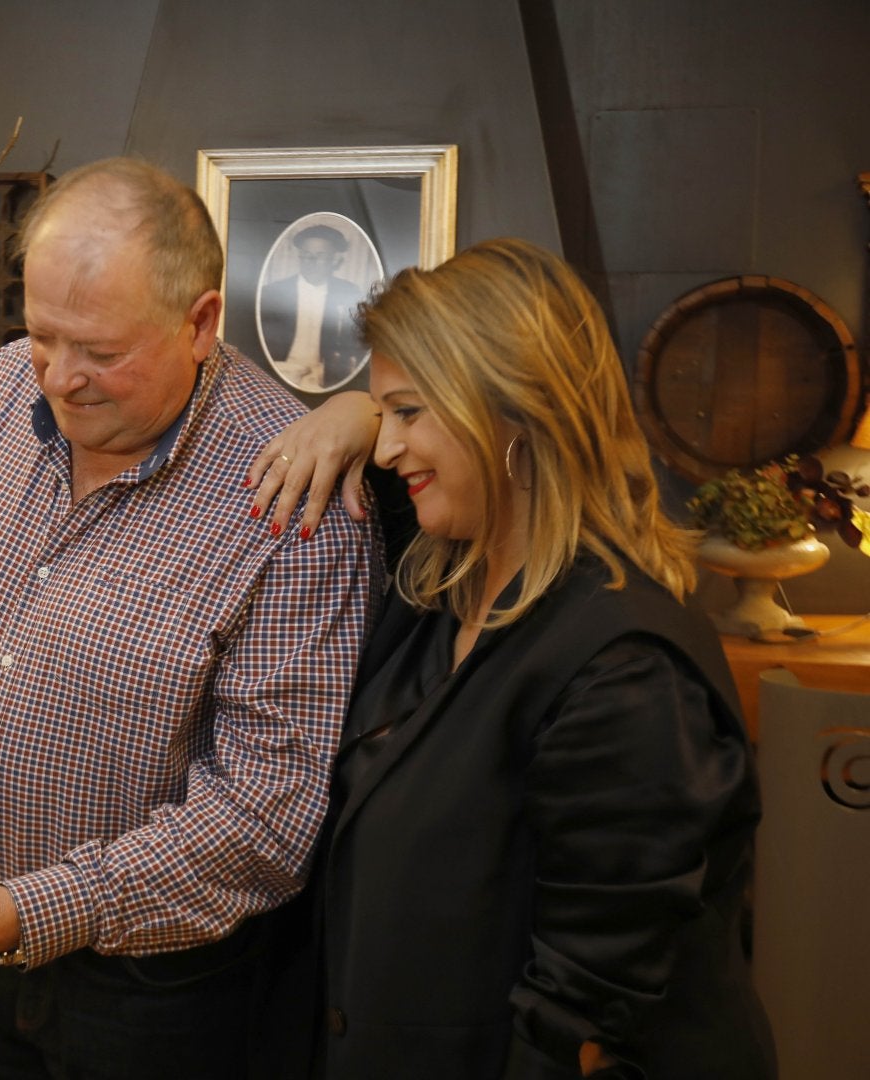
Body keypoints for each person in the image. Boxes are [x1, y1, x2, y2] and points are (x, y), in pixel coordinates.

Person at [0, 157, 379, 1079]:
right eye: (44, 336)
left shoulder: (294, 502)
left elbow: (263, 816)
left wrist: (23, 911)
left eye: (102, 351)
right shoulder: (2, 386)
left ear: (200, 323)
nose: (61, 379)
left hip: (157, 998)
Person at [248, 238, 777, 1078]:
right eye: (386, 416)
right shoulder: (443, 591)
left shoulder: (625, 671)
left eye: (411, 413)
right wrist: (354, 409)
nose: (388, 449)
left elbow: (585, 1023)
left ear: (515, 413)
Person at [258, 223, 367, 391]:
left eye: (321, 255)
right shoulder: (273, 292)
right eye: (306, 255)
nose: (312, 261)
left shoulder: (349, 292)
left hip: (323, 375)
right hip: (282, 371)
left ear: (334, 261)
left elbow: (356, 343)